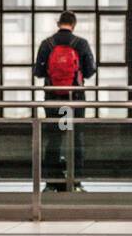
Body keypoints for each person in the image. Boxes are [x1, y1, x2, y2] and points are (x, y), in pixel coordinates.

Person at [32, 11, 96, 192]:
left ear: (58, 23)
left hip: (54, 99)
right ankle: (75, 181)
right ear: (73, 24)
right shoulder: (80, 44)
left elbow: (38, 72)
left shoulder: (47, 44)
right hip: (74, 100)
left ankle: (52, 181)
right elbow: (90, 72)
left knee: (55, 139)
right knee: (76, 137)